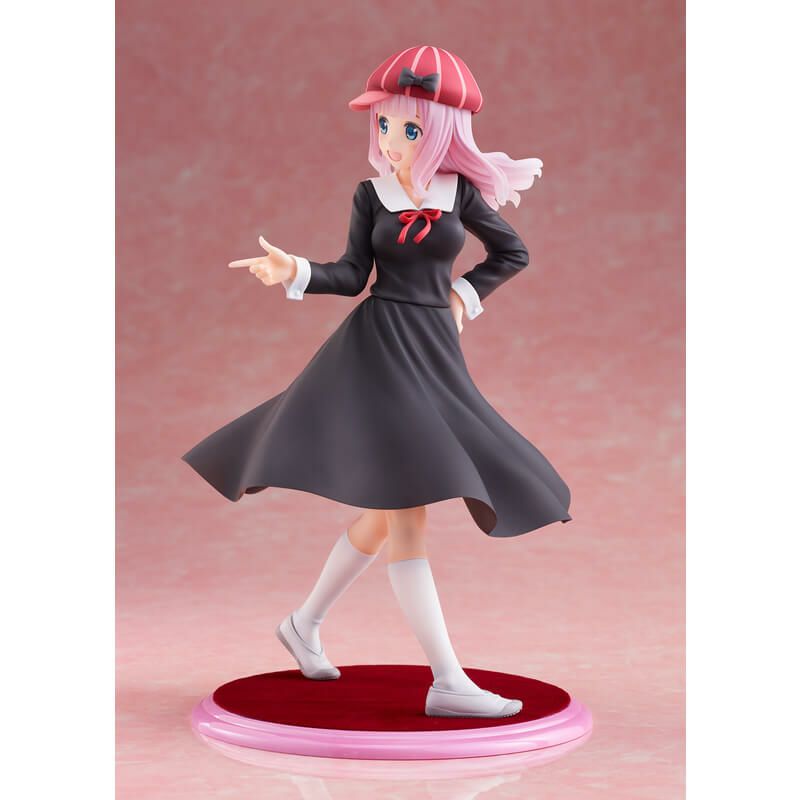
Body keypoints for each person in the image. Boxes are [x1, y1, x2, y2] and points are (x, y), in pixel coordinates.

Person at [182, 45, 571, 718]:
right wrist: (296, 271)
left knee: (391, 510)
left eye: (409, 128)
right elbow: (351, 273)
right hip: (376, 352)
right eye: (384, 125)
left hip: (432, 352)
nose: (391, 140)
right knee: (408, 509)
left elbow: (512, 253)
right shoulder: (372, 195)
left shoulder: (459, 193)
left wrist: (462, 298)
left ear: (441, 131)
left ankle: (303, 623)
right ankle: (447, 681)